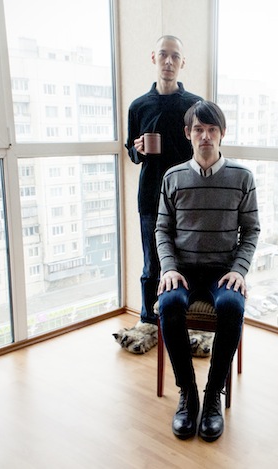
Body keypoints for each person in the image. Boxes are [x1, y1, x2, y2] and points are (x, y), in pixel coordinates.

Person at [156, 100, 260, 441]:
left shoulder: (242, 177)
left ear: (222, 133)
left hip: (222, 272)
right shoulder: (173, 177)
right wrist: (168, 268)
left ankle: (214, 393)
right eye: (198, 129)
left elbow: (251, 231)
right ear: (188, 133)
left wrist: (240, 270)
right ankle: (187, 393)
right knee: (169, 304)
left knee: (232, 305)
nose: (205, 136)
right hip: (182, 270)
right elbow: (162, 230)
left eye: (212, 129)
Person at [125, 35, 202, 325]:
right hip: (150, 195)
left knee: (186, 261)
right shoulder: (138, 106)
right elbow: (130, 150)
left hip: (186, 196)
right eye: (163, 54)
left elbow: (202, 149)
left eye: (175, 56)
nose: (168, 61)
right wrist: (138, 149)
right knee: (152, 263)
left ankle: (179, 319)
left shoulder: (195, 105)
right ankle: (147, 321)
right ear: (153, 58)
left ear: (183, 63)